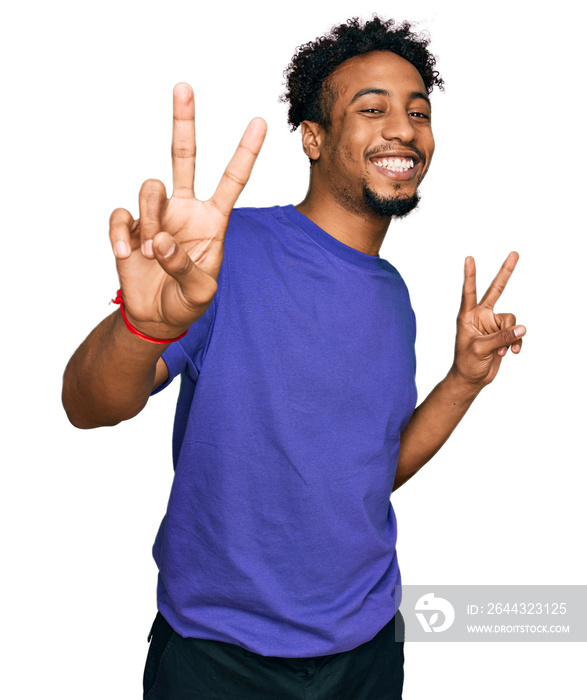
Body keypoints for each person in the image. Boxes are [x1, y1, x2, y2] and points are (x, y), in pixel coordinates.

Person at [62, 16, 525, 700]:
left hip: (364, 650)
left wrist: (463, 380)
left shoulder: (392, 296)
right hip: (218, 658)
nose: (403, 127)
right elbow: (88, 406)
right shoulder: (226, 250)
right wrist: (144, 324)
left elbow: (364, 475)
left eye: (417, 111)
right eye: (371, 109)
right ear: (314, 136)